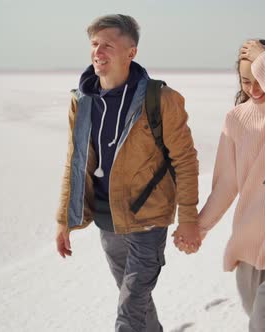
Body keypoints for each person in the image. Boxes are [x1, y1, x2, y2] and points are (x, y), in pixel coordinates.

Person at [54, 14, 201, 332]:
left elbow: (185, 161)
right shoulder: (82, 103)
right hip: (108, 223)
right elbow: (75, 162)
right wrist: (64, 220)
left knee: (128, 313)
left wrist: (189, 218)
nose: (98, 51)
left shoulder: (160, 99)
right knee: (136, 303)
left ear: (131, 52)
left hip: (149, 222)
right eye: (94, 44)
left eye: (107, 44)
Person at [176, 39, 265, 332]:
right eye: (246, 81)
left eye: (261, 79)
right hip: (248, 234)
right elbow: (227, 184)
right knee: (255, 314)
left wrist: (263, 58)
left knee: (262, 324)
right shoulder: (236, 119)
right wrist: (198, 229)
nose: (254, 90)